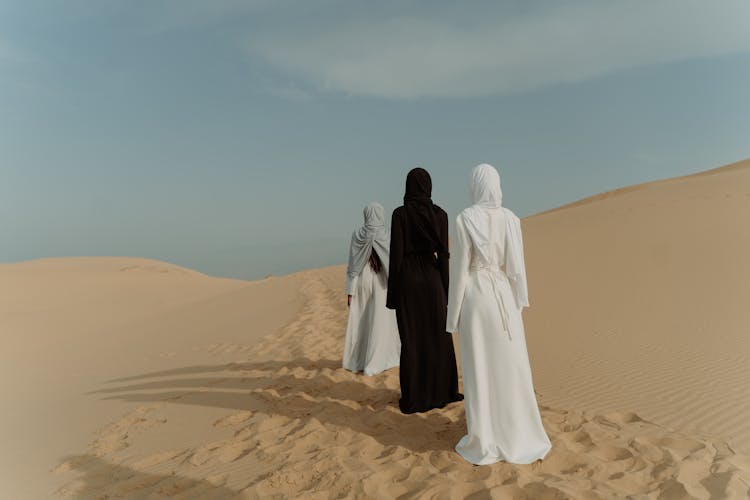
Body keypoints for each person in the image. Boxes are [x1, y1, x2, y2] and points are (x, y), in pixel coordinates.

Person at [447, 163, 551, 465]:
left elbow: (461, 270)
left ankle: (485, 437)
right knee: (511, 363)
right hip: (504, 296)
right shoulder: (511, 219)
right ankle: (518, 431)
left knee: (480, 365)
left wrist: (453, 315)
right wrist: (519, 300)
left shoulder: (465, 218)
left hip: (477, 297)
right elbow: (516, 266)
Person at [386, 167, 463, 414]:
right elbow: (444, 256)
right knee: (438, 336)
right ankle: (444, 391)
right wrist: (447, 289)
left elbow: (396, 255)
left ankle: (415, 396)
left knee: (412, 338)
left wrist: (393, 295)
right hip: (433, 279)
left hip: (408, 280)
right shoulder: (440, 215)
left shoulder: (399, 215)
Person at [343, 202, 401, 376]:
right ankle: (377, 360)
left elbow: (353, 264)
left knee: (362, 320)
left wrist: (350, 291)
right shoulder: (386, 234)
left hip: (361, 280)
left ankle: (359, 360)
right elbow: (393, 262)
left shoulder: (358, 234)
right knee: (380, 321)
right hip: (381, 282)